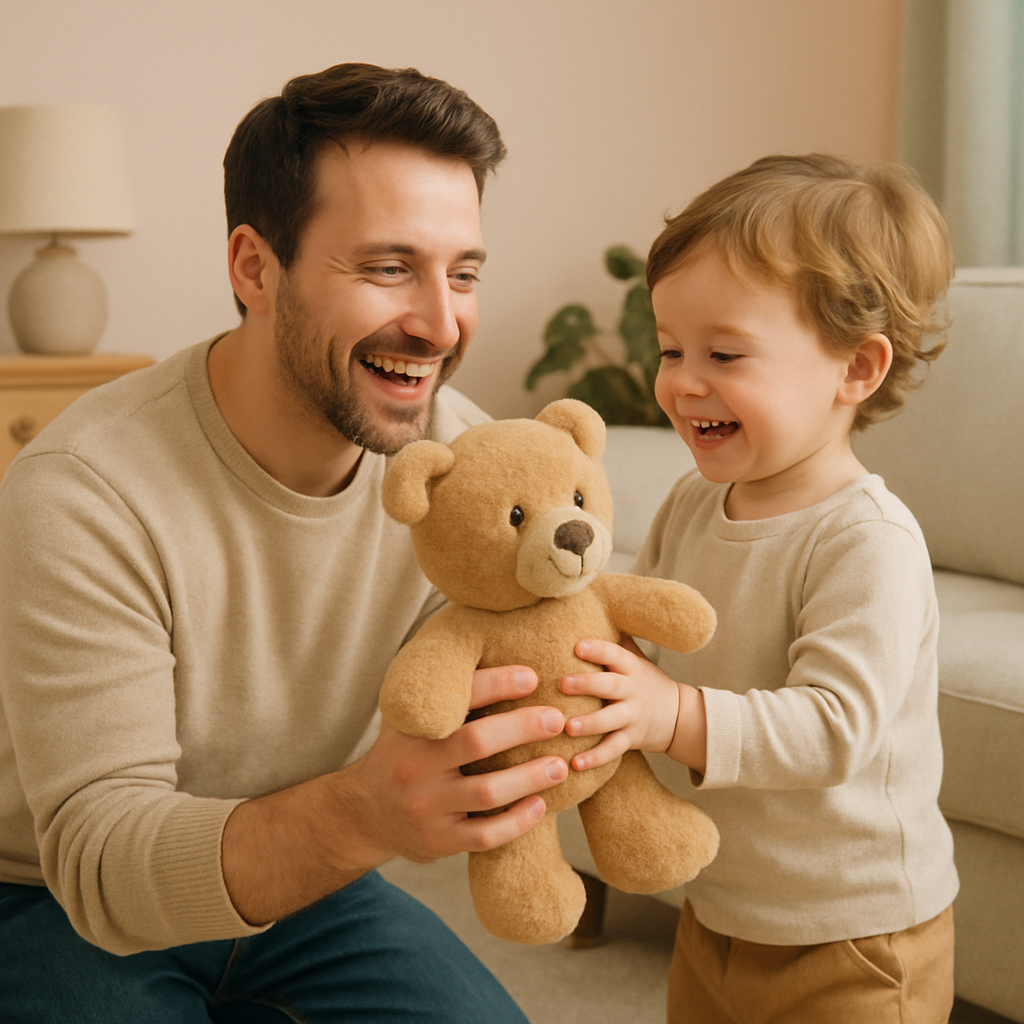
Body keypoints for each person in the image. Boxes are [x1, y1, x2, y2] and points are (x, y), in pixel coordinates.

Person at [0, 63, 570, 1023]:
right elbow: (99, 862)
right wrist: (362, 813)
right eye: (389, 267)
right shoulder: (85, 490)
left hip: (307, 887)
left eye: (463, 273)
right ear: (254, 268)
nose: (441, 323)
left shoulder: (463, 472)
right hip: (45, 898)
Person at [559, 155, 959, 1022]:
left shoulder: (866, 540)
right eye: (670, 349)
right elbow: (647, 620)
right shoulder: (694, 498)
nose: (682, 381)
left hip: (854, 931)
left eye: (725, 353)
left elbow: (835, 727)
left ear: (856, 370)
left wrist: (671, 713)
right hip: (722, 905)